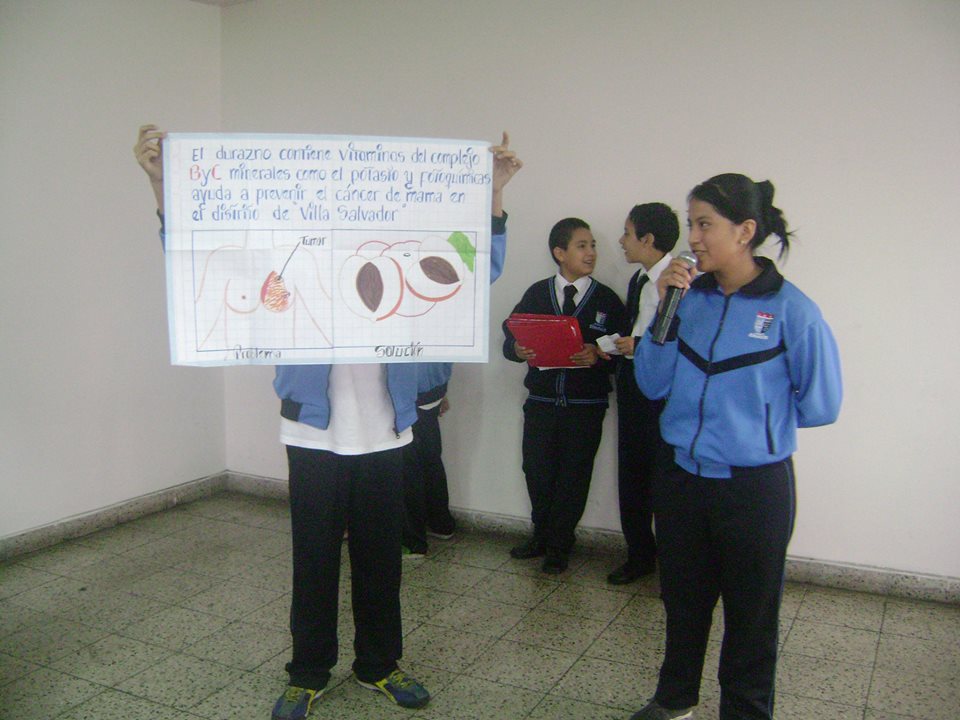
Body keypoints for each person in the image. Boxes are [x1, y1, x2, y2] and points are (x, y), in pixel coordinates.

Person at [134, 125, 522, 720]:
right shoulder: (291, 260)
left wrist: (492, 193)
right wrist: (163, 186)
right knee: (313, 557)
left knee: (381, 559)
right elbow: (201, 261)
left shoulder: (401, 260)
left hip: (386, 433)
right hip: (312, 434)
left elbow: (474, 270)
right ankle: (308, 671)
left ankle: (379, 664)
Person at [629, 174, 842, 720]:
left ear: (745, 231)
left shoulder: (792, 310)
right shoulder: (685, 299)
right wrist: (663, 307)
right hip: (681, 479)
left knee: (751, 616)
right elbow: (651, 383)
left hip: (753, 489)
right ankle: (674, 700)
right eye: (691, 223)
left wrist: (754, 423)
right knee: (682, 602)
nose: (693, 238)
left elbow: (822, 404)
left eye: (705, 224)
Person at [502, 218, 626, 574]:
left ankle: (559, 545)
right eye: (582, 246)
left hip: (585, 406)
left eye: (593, 245)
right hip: (541, 403)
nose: (591, 253)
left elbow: (622, 349)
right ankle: (540, 535)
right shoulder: (537, 294)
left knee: (574, 475)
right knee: (536, 470)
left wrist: (598, 354)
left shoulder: (606, 299)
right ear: (560, 253)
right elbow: (510, 337)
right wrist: (517, 349)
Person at [607, 203, 679, 585]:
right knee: (632, 475)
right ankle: (639, 556)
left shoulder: (678, 282)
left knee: (663, 480)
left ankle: (672, 564)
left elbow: (681, 340)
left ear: (647, 239)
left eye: (627, 232)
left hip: (664, 395)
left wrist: (638, 345)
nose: (621, 241)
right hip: (632, 385)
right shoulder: (639, 279)